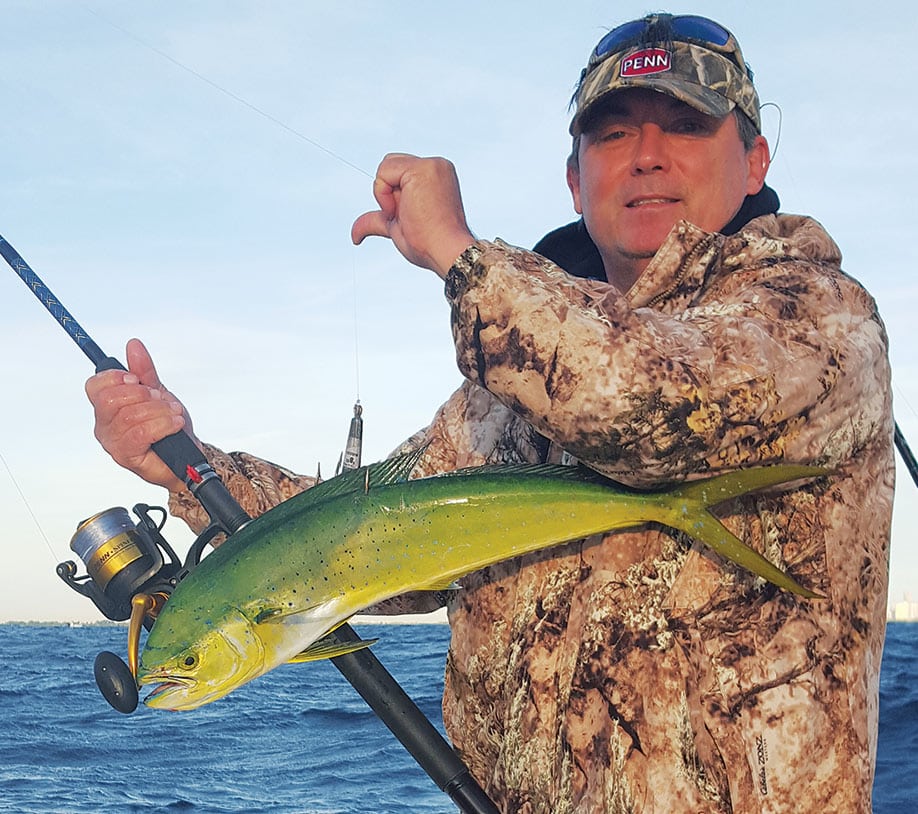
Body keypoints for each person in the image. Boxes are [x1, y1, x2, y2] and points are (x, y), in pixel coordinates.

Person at [86, 13, 893, 813]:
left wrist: (459, 254)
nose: (646, 155)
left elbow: (643, 403)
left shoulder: (815, 318)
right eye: (611, 136)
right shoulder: (507, 387)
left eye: (685, 125)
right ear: (576, 181)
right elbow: (361, 541)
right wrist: (185, 463)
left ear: (754, 161)